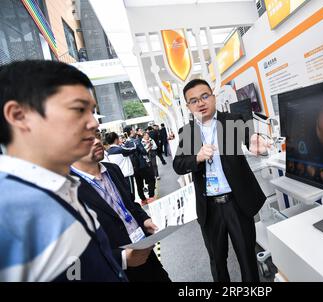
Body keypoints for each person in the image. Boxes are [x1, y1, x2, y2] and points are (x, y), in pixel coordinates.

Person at [0, 60, 126, 281]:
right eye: (78, 109)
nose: (94, 123)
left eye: (93, 111)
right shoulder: (6, 211)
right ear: (19, 115)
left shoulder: (64, 186)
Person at [173, 79, 269, 282]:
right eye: (193, 100)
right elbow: (178, 165)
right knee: (217, 261)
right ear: (188, 106)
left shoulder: (234, 121)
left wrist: (258, 145)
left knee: (247, 259)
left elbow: (252, 140)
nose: (200, 103)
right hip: (209, 208)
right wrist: (196, 157)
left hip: (237, 203)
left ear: (213, 97)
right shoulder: (188, 133)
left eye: (204, 96)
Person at [71, 131, 171, 282]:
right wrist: (122, 258)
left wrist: (145, 220)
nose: (97, 141)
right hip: (117, 271)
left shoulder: (112, 170)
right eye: (88, 138)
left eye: (97, 135)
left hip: (145, 253)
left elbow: (131, 205)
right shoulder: (67, 189)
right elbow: (79, 250)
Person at [123, 126, 155, 204]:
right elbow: (143, 151)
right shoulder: (136, 141)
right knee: (151, 179)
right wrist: (147, 148)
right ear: (130, 131)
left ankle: (143, 199)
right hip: (142, 164)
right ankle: (151, 197)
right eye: (133, 129)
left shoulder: (126, 143)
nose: (134, 131)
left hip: (134, 167)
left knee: (139, 183)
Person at [105, 131, 137, 200]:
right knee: (131, 197)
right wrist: (129, 140)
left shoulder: (108, 152)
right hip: (127, 176)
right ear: (116, 139)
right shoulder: (120, 150)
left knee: (126, 197)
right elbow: (134, 148)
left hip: (119, 177)